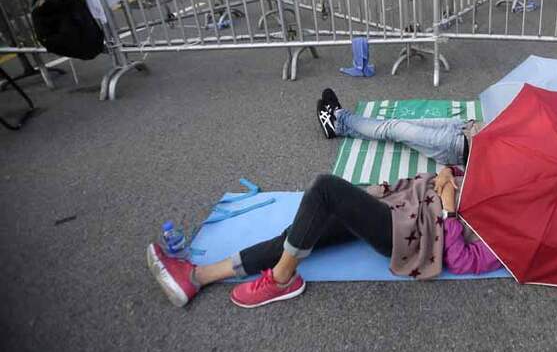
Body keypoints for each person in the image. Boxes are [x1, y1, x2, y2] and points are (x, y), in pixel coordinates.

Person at [147, 165, 501, 308]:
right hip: (399, 202)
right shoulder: (500, 170)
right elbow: (452, 171)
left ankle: (282, 279)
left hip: (410, 235)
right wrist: (447, 173)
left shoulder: (517, 233)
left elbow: (463, 260)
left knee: (326, 189)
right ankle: (198, 276)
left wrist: (449, 208)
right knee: (301, 232)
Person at [317, 88, 472, 166]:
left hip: (456, 145)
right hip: (462, 127)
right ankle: (339, 128)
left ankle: (339, 114)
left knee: (392, 128)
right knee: (398, 126)